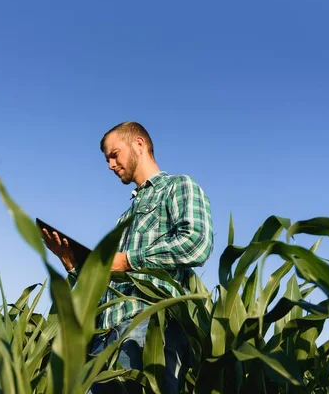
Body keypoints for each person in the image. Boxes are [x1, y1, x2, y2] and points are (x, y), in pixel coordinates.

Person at [42, 121, 213, 393]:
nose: (110, 165)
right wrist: (73, 265)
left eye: (114, 154)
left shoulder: (178, 186)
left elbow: (196, 243)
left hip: (150, 330)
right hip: (104, 340)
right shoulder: (124, 218)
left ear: (139, 144)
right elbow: (107, 282)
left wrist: (129, 260)